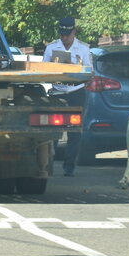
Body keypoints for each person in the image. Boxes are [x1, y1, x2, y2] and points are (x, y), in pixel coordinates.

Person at [42, 17, 92, 177]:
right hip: (57, 91)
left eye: (67, 35)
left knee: (74, 131)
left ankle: (69, 166)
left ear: (73, 32)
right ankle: (48, 162)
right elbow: (43, 69)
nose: (64, 38)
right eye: (62, 34)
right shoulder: (51, 48)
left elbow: (89, 72)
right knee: (53, 129)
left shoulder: (83, 49)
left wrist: (74, 69)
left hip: (76, 91)